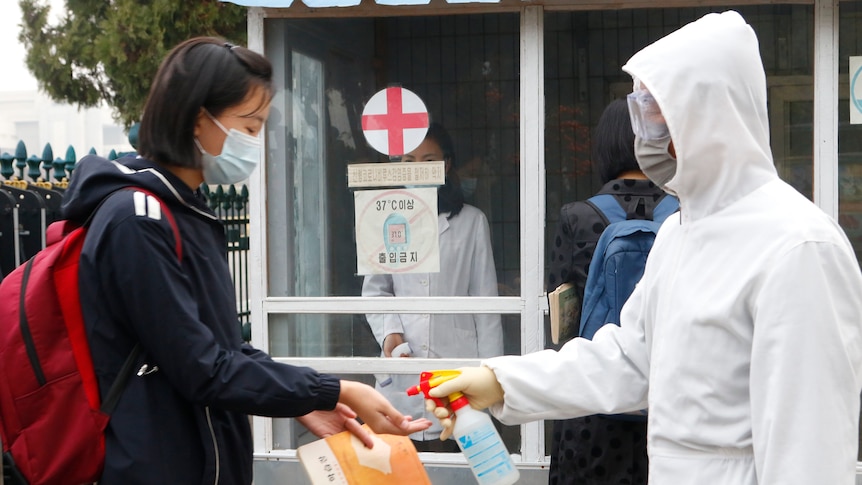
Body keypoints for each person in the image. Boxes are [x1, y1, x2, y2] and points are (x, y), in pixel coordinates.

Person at [425, 10, 862, 484]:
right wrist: (501, 382)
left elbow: (809, 453)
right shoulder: (679, 232)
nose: (643, 131)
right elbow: (629, 359)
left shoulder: (797, 246)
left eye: (655, 109)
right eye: (640, 108)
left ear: (708, 115)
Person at [60, 37, 430, 484]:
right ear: (199, 119)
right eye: (250, 126)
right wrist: (334, 390)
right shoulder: (137, 221)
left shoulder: (187, 211)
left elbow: (225, 349)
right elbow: (201, 368)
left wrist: (308, 400)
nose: (256, 143)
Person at [547, 98, 668, 484]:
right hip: (666, 399)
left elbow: (562, 325)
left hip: (593, 404)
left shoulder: (577, 217)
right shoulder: (685, 213)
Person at [362, 122, 503, 452]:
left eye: (428, 160)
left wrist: (493, 374)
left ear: (447, 164)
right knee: (404, 459)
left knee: (459, 456)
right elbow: (376, 290)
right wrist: (390, 333)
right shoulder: (384, 218)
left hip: (458, 363)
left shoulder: (471, 221)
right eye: (408, 161)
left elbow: (486, 302)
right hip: (402, 367)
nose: (418, 169)